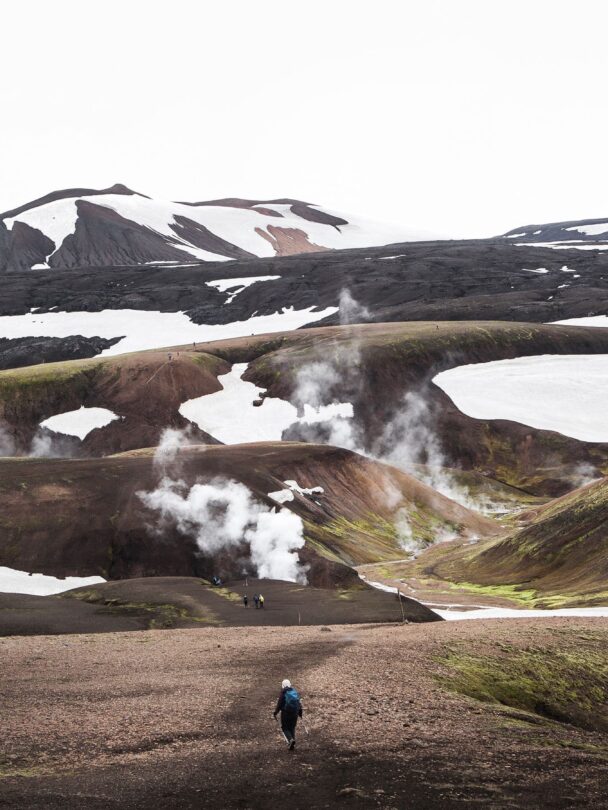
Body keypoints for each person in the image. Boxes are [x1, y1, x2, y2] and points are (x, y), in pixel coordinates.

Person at [273, 679, 303, 750]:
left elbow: (279, 704)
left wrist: (275, 712)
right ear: (290, 684)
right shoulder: (294, 692)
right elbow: (299, 703)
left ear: (282, 685)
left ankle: (290, 740)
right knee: (292, 727)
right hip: (295, 713)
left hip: (286, 713)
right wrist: (300, 713)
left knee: (285, 728)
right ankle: (292, 744)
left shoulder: (283, 693)